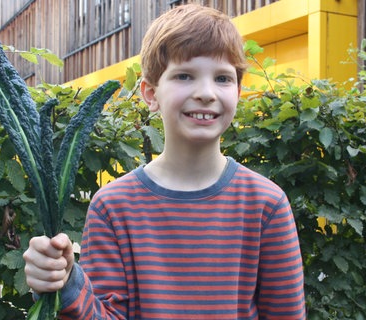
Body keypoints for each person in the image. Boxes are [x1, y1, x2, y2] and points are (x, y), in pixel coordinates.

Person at [23, 3, 306, 319]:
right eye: (185, 75)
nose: (206, 93)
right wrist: (64, 283)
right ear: (150, 93)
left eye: (223, 78)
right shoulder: (113, 207)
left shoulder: (267, 204)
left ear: (239, 92)